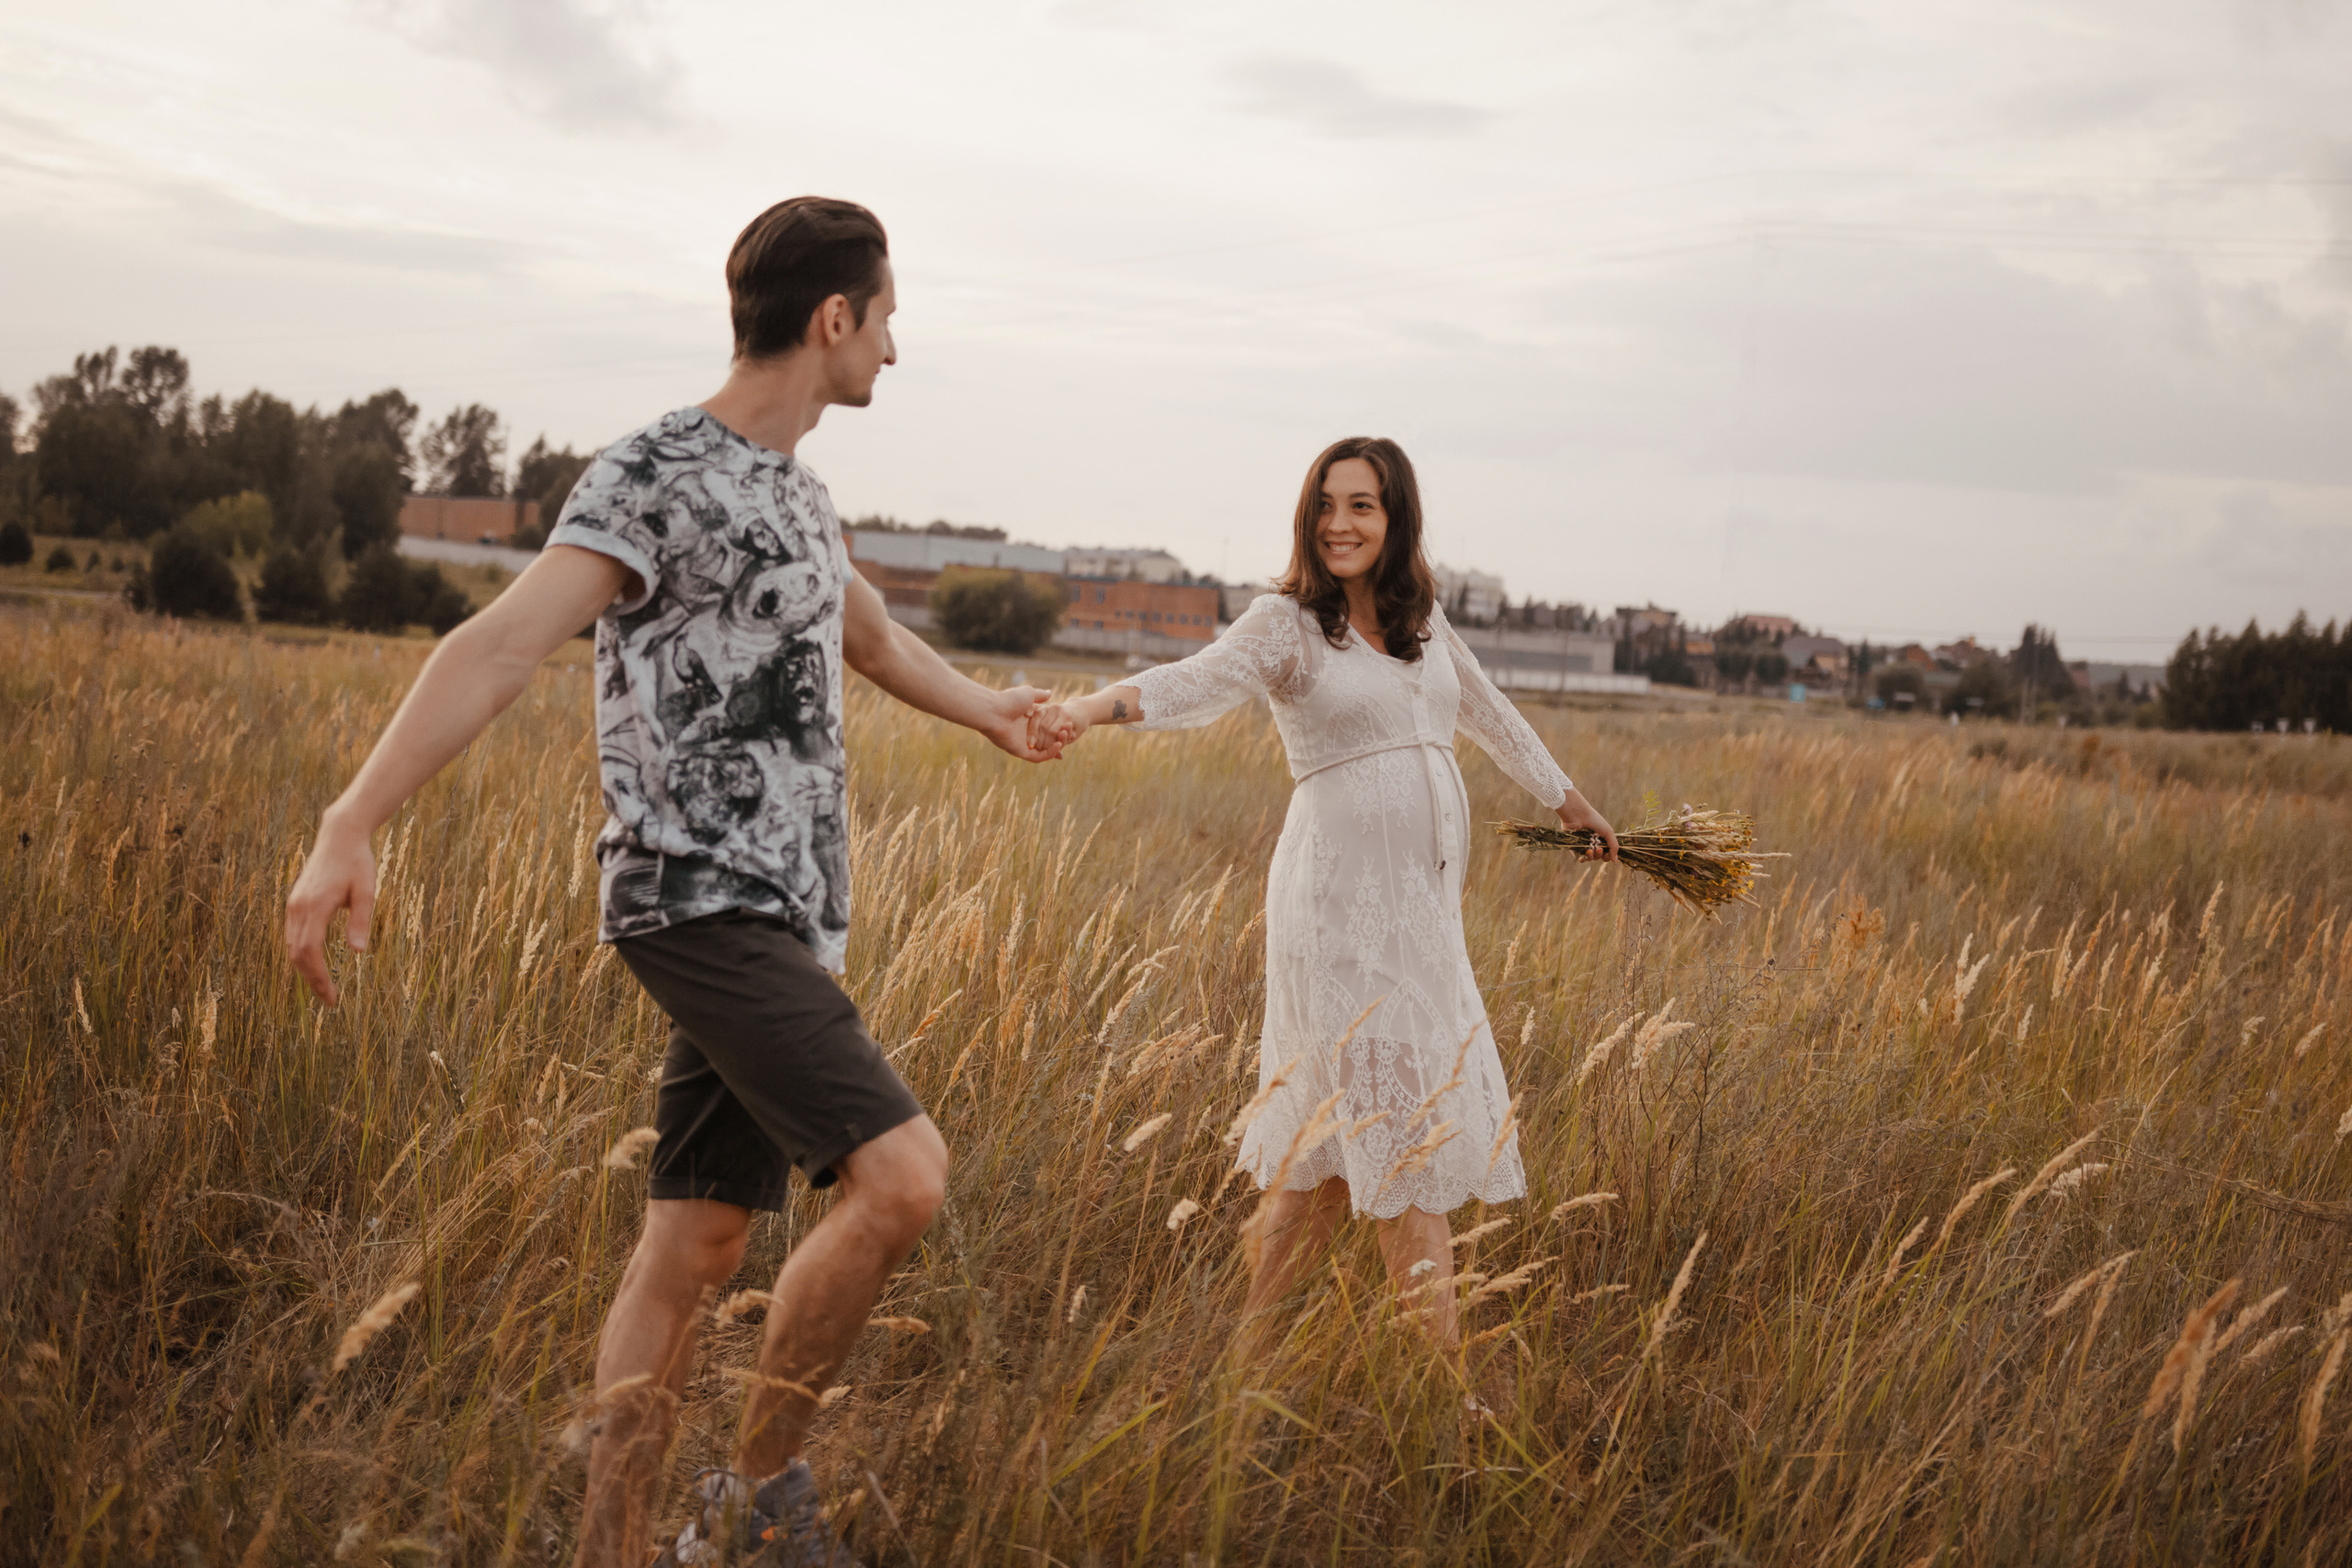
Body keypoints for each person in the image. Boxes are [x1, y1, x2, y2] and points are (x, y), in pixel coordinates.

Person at [284, 197, 1066, 1568]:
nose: (895, 344)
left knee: (693, 1246)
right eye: (888, 316)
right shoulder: (654, 470)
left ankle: (615, 1544)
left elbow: (873, 639)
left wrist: (994, 710)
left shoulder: (802, 497)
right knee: (901, 1179)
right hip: (693, 898)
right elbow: (504, 641)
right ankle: (754, 1499)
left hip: (789, 919)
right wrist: (354, 817)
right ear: (836, 318)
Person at [1030, 436, 1616, 1363]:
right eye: (1325, 505)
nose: (1338, 524)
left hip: (1420, 923)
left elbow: (1490, 711)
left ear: (1396, 522)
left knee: (1328, 1155)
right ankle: (1445, 1400)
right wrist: (1091, 709)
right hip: (1338, 914)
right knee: (1399, 1135)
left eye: (1361, 507)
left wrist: (1570, 802)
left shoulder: (1421, 622)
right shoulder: (1285, 625)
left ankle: (1240, 1372)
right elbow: (1191, 683)